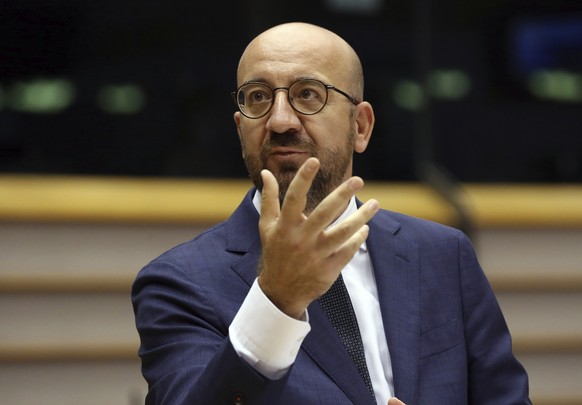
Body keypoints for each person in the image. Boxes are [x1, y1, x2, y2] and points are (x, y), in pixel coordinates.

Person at [132, 22, 531, 405]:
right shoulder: (178, 283)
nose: (280, 120)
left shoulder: (443, 255)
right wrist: (276, 301)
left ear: (360, 127)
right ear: (240, 130)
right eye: (258, 97)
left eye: (308, 94)